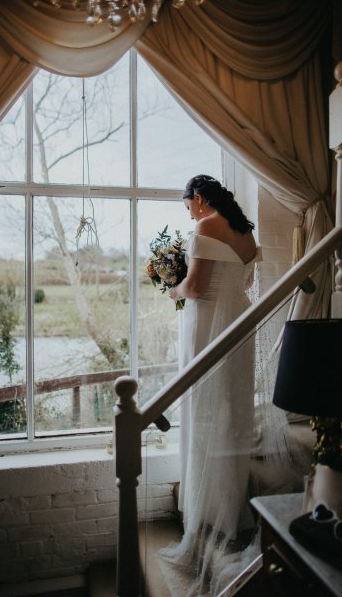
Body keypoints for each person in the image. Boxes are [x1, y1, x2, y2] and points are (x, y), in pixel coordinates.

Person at [161, 175, 262, 596]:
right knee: (233, 413)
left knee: (204, 410)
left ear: (199, 199)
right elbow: (245, 283)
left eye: (188, 206)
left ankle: (207, 515)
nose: (189, 213)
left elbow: (198, 287)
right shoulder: (247, 232)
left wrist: (172, 288)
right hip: (239, 325)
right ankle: (230, 510)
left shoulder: (205, 226)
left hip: (208, 325)